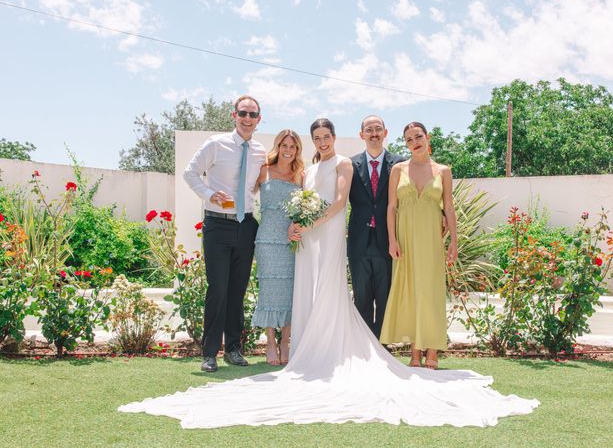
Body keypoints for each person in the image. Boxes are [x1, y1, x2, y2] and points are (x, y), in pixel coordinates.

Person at [120, 118, 538, 428]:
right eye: (316, 138)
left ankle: (339, 347)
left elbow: (340, 203)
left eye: (326, 137)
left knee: (331, 289)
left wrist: (312, 223)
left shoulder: (342, 165)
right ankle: (300, 347)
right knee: (307, 288)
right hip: (307, 236)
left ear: (335, 139)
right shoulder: (306, 170)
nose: (321, 142)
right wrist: (296, 222)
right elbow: (277, 193)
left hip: (328, 232)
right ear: (312, 142)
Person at [182, 95, 266, 373]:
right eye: (243, 113)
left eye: (252, 114)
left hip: (246, 225)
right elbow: (190, 173)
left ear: (258, 119)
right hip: (217, 224)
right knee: (218, 288)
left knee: (237, 291)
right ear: (234, 115)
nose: (247, 118)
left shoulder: (260, 151)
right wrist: (208, 194)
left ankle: (233, 349)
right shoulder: (215, 144)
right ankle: (209, 354)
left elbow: (256, 186)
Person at [381, 122, 458, 369]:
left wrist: (454, 241)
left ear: (427, 138)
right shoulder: (398, 170)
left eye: (418, 136)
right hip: (404, 240)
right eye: (409, 139)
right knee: (411, 291)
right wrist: (392, 239)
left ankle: (432, 350)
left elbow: (449, 206)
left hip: (431, 240)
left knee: (431, 292)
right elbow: (391, 207)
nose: (414, 142)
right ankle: (415, 350)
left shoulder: (443, 171)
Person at [347, 115, 405, 338]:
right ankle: (363, 343)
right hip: (358, 239)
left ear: (385, 132)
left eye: (378, 129)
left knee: (385, 294)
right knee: (361, 295)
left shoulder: (400, 163)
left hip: (388, 239)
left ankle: (383, 344)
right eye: (368, 130)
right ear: (361, 135)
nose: (373, 134)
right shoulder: (351, 164)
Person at [252, 130, 304, 366]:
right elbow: (242, 190)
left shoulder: (300, 175)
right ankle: (271, 342)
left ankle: (286, 342)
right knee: (269, 291)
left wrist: (297, 225)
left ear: (297, 149)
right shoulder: (264, 170)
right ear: (278, 146)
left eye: (293, 146)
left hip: (291, 241)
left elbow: (304, 209)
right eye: (284, 145)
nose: (288, 150)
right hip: (266, 240)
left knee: (290, 291)